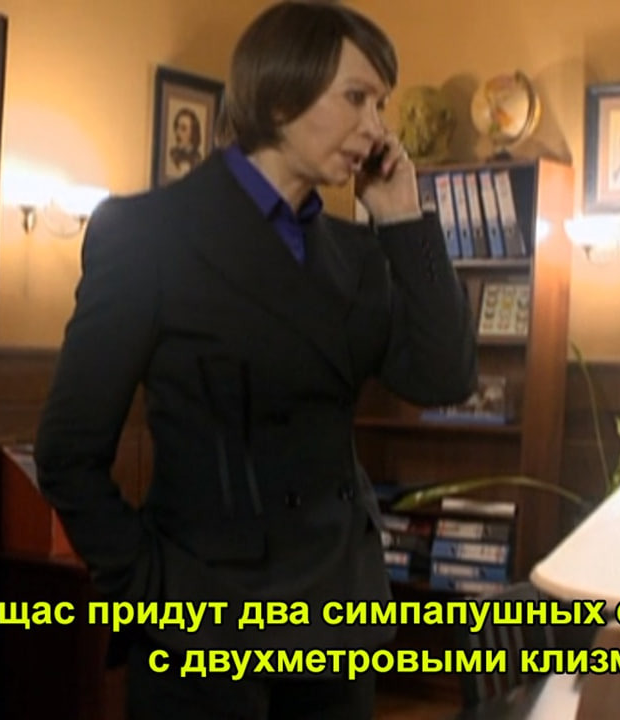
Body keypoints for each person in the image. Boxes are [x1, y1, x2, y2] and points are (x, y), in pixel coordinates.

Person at [33, 2, 477, 718]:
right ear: (278, 97)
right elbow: (66, 453)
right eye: (356, 98)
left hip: (338, 623)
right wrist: (149, 590)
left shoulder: (357, 254)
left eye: (381, 104)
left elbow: (443, 376)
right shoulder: (149, 235)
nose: (377, 127)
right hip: (205, 633)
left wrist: (403, 220)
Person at [167, 107, 204, 177]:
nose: (177, 133)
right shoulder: (172, 153)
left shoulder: (197, 159)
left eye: (183, 128)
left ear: (193, 132)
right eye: (177, 127)